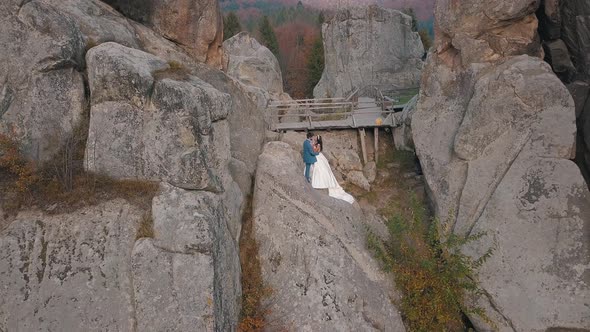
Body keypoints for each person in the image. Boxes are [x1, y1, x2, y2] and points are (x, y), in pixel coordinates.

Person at [309, 135, 355, 204]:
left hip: (317, 157)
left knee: (320, 169)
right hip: (317, 157)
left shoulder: (318, 145)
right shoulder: (317, 144)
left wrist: (312, 149)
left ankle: (320, 182)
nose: (314, 140)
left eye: (315, 139)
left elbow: (316, 151)